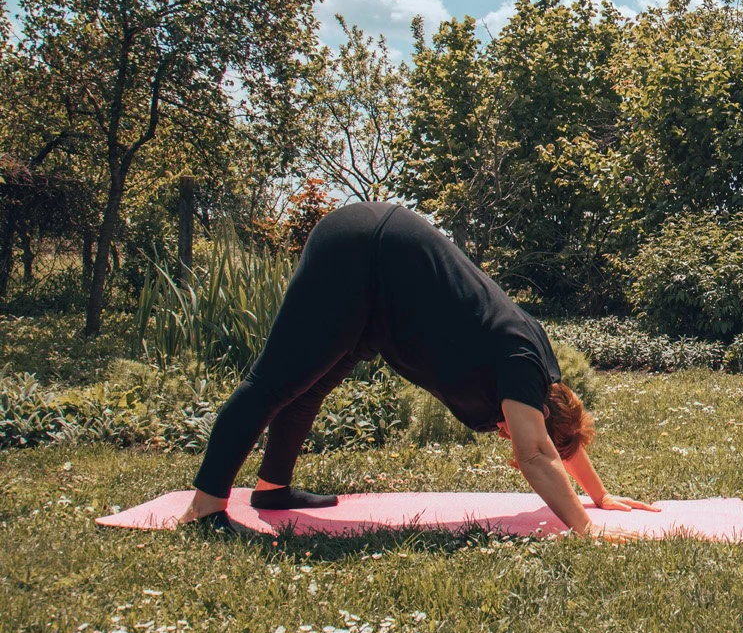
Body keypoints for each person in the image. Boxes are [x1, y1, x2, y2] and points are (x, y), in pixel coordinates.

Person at [174, 202, 656, 534]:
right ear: (532, 411)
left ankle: (272, 490)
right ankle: (206, 505)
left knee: (310, 386)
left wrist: (600, 495)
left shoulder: (540, 381)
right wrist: (586, 530)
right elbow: (538, 453)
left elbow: (557, 438)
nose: (508, 440)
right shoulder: (518, 366)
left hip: (381, 299)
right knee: (274, 381)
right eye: (514, 433)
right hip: (364, 252)